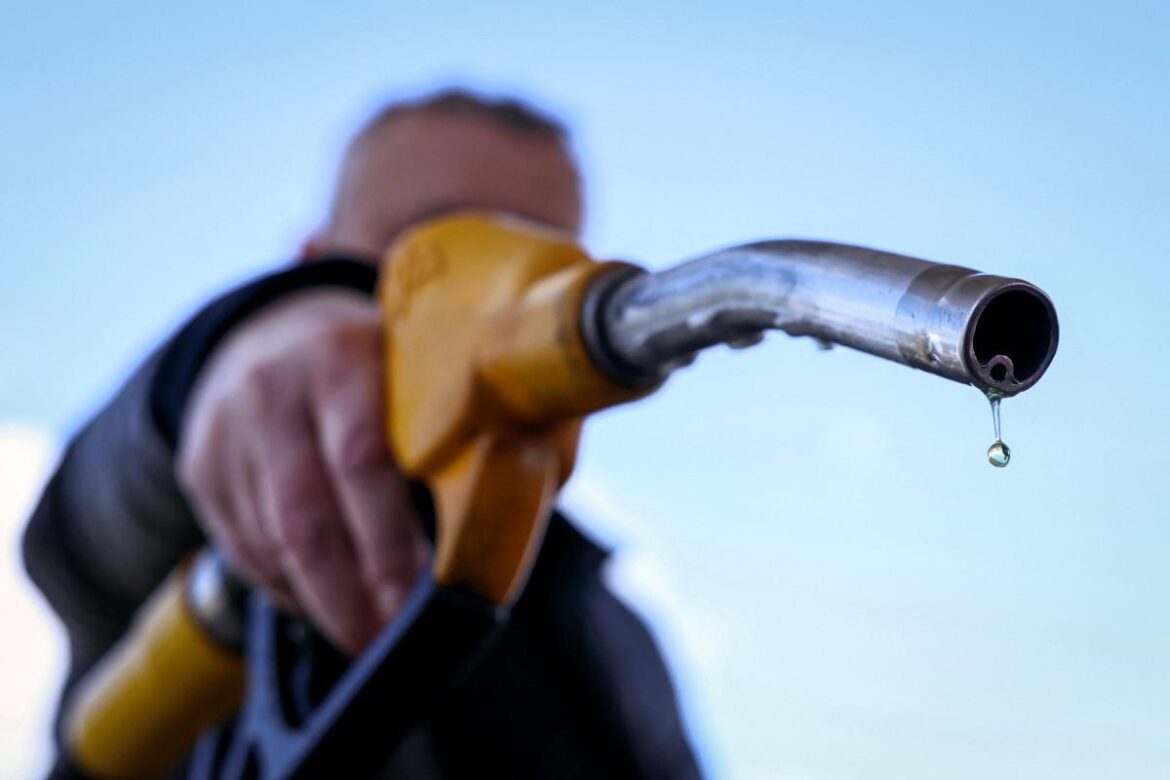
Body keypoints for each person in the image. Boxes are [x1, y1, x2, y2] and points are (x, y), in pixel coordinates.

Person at [23, 89, 703, 778]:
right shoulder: (203, 506)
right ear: (313, 262)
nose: (499, 305)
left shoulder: (607, 630)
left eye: (545, 264)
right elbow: (79, 532)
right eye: (438, 253)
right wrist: (238, 341)